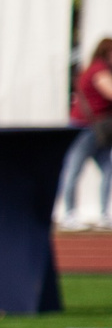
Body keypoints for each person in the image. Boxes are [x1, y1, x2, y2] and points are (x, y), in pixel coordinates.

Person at [58, 36, 112, 228]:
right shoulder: (99, 70)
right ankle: (69, 213)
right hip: (85, 128)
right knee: (75, 168)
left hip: (96, 129)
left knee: (108, 167)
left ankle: (104, 213)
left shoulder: (94, 69)